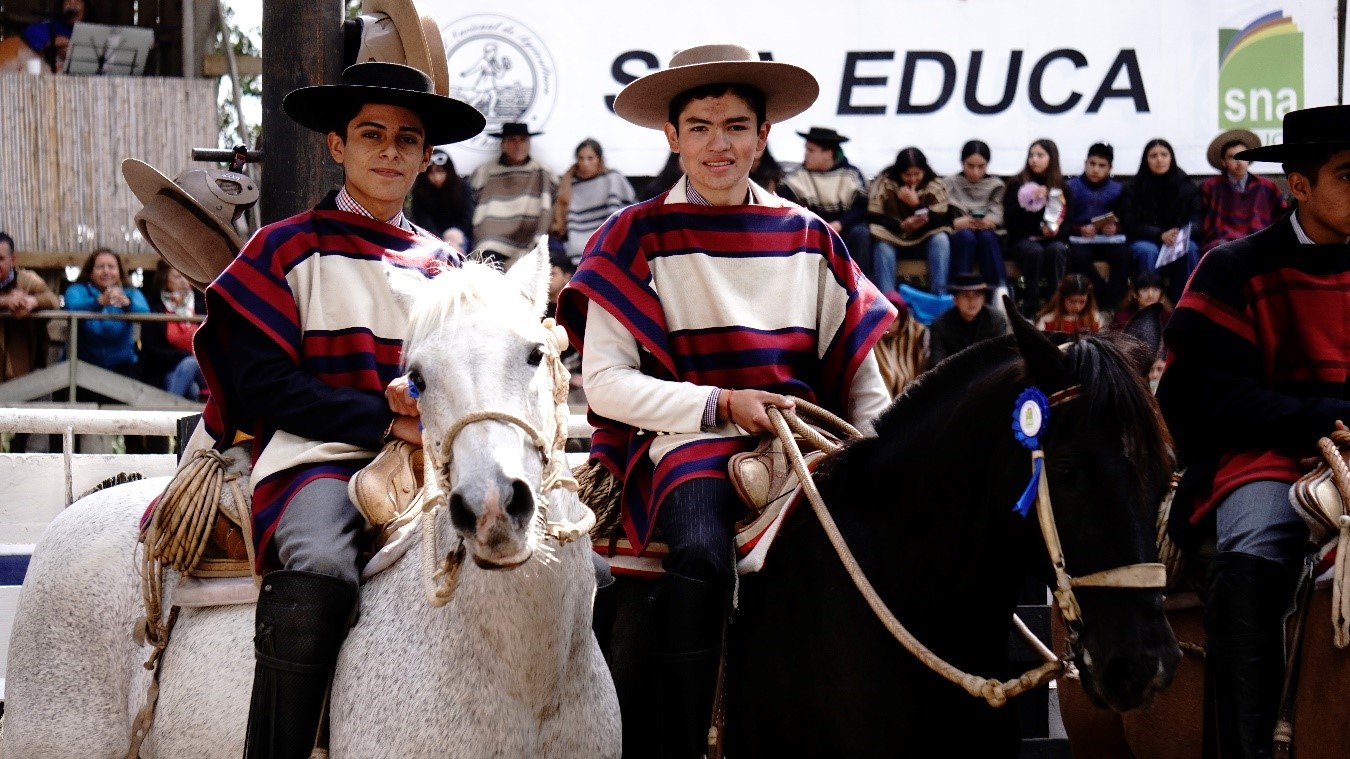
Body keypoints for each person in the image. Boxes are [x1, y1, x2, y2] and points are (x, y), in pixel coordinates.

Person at [557, 43, 893, 758]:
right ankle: (683, 740)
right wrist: (719, 404)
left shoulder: (811, 237)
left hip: (806, 448)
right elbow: (607, 383)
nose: (720, 144)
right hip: (689, 446)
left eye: (737, 126)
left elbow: (866, 386)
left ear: (763, 136)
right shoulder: (633, 235)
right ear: (672, 136)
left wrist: (881, 460)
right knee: (702, 555)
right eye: (701, 127)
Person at [187, 61, 484, 757]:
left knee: (561, 565)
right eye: (371, 134)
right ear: (337, 145)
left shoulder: (450, 269)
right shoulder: (283, 248)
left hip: (437, 462)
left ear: (425, 156)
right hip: (317, 460)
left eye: (407, 139)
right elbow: (262, 387)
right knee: (320, 561)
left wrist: (427, 413)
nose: (390, 151)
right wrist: (383, 418)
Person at [1156, 104, 1350, 759]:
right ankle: (1245, 747)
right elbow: (1194, 394)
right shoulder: (1234, 266)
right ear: (1299, 185)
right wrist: (1322, 418)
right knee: (1256, 542)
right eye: (1348, 175)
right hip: (1266, 457)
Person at [777, 126, 872, 269]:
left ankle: (859, 280)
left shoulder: (851, 175)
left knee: (860, 233)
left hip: (844, 232)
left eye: (811, 150)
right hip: (811, 233)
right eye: (806, 149)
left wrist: (839, 224)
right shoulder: (797, 178)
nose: (805, 155)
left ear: (828, 153)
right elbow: (784, 206)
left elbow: (861, 208)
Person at [1121, 138, 1202, 304]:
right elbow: (1130, 223)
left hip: (1177, 240)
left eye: (1164, 155)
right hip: (1146, 239)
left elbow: (1197, 220)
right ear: (1146, 160)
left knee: (1190, 248)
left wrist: (1181, 234)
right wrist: (1159, 234)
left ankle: (1186, 305)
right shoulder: (1133, 188)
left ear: (1171, 158)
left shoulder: (1187, 186)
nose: (1159, 159)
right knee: (1147, 251)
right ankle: (1148, 307)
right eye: (1153, 156)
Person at [0, 231, 60, 452]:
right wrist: (5, 302)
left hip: (25, 372)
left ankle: (36, 464)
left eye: (0, 259)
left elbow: (52, 299)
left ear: (13, 259)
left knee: (39, 422)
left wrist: (32, 301)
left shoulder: (27, 280)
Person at [867, 147, 953, 294]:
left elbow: (942, 219)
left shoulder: (934, 185)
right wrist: (901, 226)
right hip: (892, 237)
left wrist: (916, 205)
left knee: (941, 240)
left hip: (924, 238)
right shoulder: (885, 183)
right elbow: (874, 216)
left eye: (917, 174)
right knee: (882, 248)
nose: (913, 179)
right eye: (907, 175)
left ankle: (939, 296)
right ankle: (888, 300)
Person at [469, 121, 557, 265]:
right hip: (492, 240)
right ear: (502, 144)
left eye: (522, 140)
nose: (518, 146)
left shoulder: (543, 173)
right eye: (512, 140)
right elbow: (470, 203)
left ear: (529, 144)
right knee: (487, 263)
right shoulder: (485, 172)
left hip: (529, 237)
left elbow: (557, 204)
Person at [1004, 139, 1070, 316]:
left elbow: (1068, 221)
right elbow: (1011, 220)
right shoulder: (1017, 184)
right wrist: (1031, 201)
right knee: (1034, 251)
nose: (1034, 159)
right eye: (1031, 155)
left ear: (1051, 158)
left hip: (1052, 239)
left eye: (1040, 155)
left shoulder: (1062, 187)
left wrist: (1054, 232)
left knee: (1057, 250)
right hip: (1023, 239)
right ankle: (1030, 305)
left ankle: (1054, 304)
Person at [1199, 129, 1289, 254]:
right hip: (1221, 240)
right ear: (1223, 162)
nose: (1239, 161)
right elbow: (1201, 220)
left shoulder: (1267, 186)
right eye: (1232, 157)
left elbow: (1283, 215)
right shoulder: (1211, 187)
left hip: (1259, 238)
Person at [1065, 142, 1131, 309]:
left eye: (1102, 166)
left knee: (1123, 256)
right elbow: (1064, 219)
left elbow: (1127, 219)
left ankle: (1112, 306)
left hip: (1108, 239)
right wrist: (1079, 229)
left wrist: (1116, 228)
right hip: (1080, 239)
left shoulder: (1118, 190)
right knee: (1078, 256)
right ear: (1085, 163)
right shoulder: (1071, 187)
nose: (1095, 169)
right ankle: (1101, 298)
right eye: (1092, 164)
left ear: (1110, 168)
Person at [551, 138, 636, 263]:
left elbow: (630, 213)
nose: (585, 163)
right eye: (581, 158)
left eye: (590, 158)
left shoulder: (613, 179)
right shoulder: (569, 184)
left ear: (599, 159)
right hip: (576, 246)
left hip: (609, 242)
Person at [942, 139, 1007, 293]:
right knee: (966, 237)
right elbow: (939, 212)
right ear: (962, 163)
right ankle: (959, 293)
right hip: (959, 232)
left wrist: (991, 221)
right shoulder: (949, 183)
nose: (975, 172)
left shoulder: (996, 185)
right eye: (970, 166)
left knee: (987, 238)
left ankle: (998, 294)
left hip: (988, 232)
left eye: (981, 166)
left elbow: (999, 211)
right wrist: (955, 223)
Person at [140, 260, 205, 401]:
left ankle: (165, 410)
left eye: (186, 276)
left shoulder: (204, 304)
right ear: (164, 280)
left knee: (190, 363)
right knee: (192, 388)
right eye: (178, 276)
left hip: (205, 367)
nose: (184, 281)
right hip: (169, 368)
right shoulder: (154, 308)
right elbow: (151, 349)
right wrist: (185, 355)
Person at [926, 271, 1009, 369]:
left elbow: (1002, 359)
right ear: (955, 300)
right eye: (965, 295)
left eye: (977, 295)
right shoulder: (940, 325)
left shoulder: (996, 321)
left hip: (988, 374)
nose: (972, 301)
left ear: (983, 299)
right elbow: (937, 364)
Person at [409, 148, 475, 252]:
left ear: (448, 171)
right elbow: (422, 219)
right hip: (430, 237)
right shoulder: (420, 190)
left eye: (440, 171)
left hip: (458, 235)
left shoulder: (462, 187)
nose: (436, 177)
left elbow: (467, 217)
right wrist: (438, 239)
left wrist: (454, 234)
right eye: (431, 173)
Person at [873, 289, 929, 395]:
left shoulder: (916, 334)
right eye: (885, 319)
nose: (889, 325)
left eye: (894, 320)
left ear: (902, 319)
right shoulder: (870, 335)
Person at [20, 0, 83, 73]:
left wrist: (72, 44)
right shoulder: (55, 24)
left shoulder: (90, 29)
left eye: (77, 3)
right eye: (68, 3)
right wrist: (52, 41)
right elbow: (31, 31)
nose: (72, 7)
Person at [1035, 272, 1101, 335]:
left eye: (1082, 301)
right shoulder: (1047, 321)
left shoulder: (1095, 320)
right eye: (1072, 301)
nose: (1077, 307)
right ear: (1062, 299)